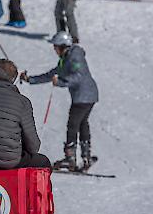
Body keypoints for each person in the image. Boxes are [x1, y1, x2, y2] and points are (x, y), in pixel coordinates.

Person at [20, 31, 98, 171]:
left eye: (56, 46)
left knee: (73, 124)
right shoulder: (66, 58)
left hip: (84, 96)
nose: (54, 49)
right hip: (87, 95)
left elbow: (78, 76)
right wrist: (31, 79)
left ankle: (71, 159)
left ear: (63, 46)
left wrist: (61, 82)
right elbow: (52, 74)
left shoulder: (74, 57)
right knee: (81, 123)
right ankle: (85, 157)